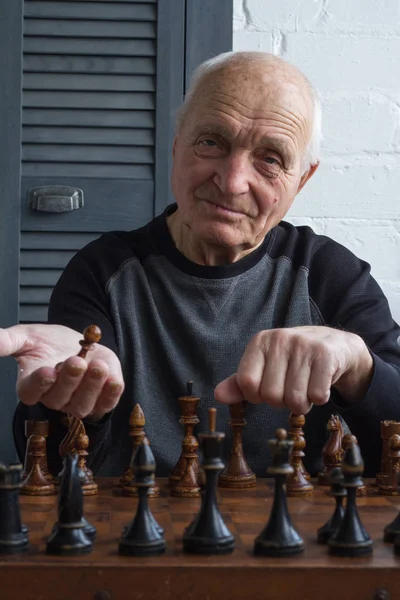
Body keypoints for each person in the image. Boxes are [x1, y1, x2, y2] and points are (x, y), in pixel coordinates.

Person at [2, 51, 400, 478]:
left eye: (270, 159)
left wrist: (361, 369)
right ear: (177, 146)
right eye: (211, 142)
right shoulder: (101, 272)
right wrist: (73, 398)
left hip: (299, 538)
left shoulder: (331, 276)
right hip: (136, 537)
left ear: (301, 180)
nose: (231, 182)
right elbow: (46, 465)